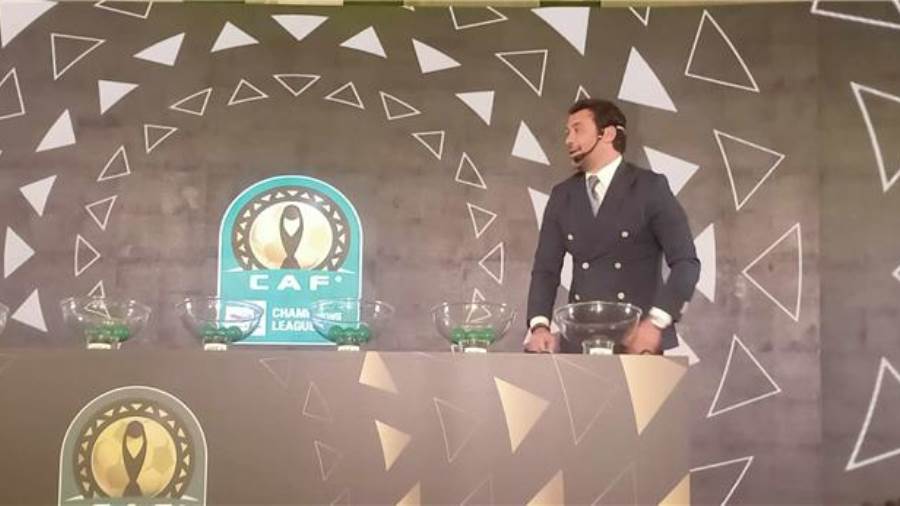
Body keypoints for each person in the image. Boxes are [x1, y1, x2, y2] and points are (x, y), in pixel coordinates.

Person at [525, 99, 700, 354]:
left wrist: (655, 323)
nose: (569, 140)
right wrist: (539, 326)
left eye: (578, 130)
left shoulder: (650, 187)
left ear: (607, 134)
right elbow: (545, 270)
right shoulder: (562, 195)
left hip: (637, 343)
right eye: (567, 132)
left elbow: (686, 262)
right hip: (579, 342)